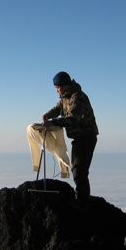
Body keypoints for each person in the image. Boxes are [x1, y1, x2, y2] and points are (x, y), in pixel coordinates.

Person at [43, 71, 99, 202]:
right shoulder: (66, 96)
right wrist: (47, 115)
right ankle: (81, 199)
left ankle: (83, 203)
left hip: (87, 137)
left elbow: (73, 119)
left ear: (65, 85)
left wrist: (53, 122)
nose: (57, 91)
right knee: (77, 170)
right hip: (79, 138)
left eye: (58, 87)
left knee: (79, 171)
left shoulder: (77, 97)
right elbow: (58, 108)